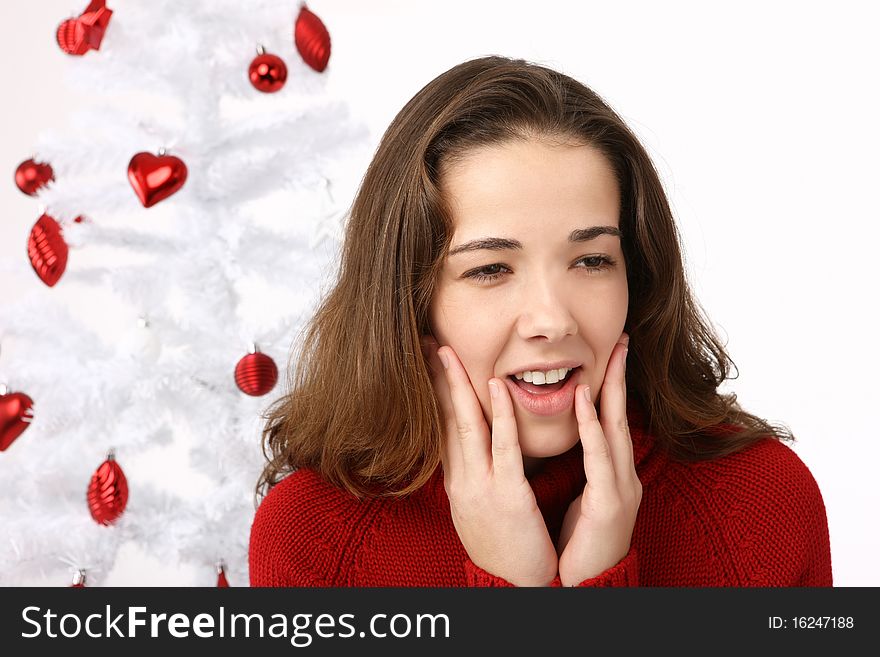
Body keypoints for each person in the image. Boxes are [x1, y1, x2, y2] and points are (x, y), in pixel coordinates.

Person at [248, 56, 832, 587]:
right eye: (490, 269)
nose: (552, 320)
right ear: (408, 296)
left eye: (592, 260)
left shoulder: (763, 502)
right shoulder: (314, 541)